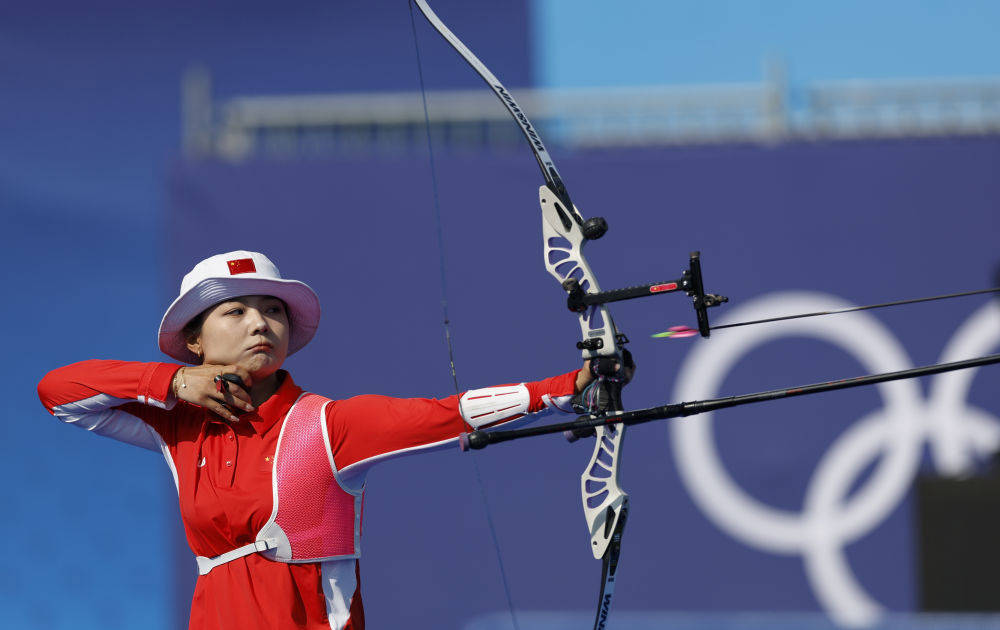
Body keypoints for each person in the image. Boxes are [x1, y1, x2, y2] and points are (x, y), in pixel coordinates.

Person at [37, 250, 620, 630]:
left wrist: (573, 384)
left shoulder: (329, 425)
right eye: (234, 312)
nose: (260, 323)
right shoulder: (178, 426)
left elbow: (449, 415)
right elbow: (58, 392)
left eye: (272, 312)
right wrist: (169, 382)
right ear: (194, 340)